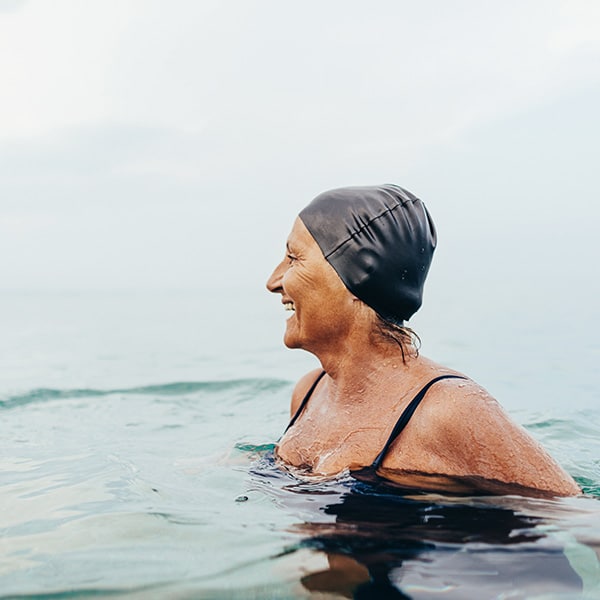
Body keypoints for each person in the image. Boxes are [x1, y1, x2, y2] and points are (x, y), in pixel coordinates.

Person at [266, 184, 580, 497]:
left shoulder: (449, 411)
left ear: (358, 276)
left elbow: (579, 516)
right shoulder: (309, 392)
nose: (273, 282)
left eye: (294, 258)